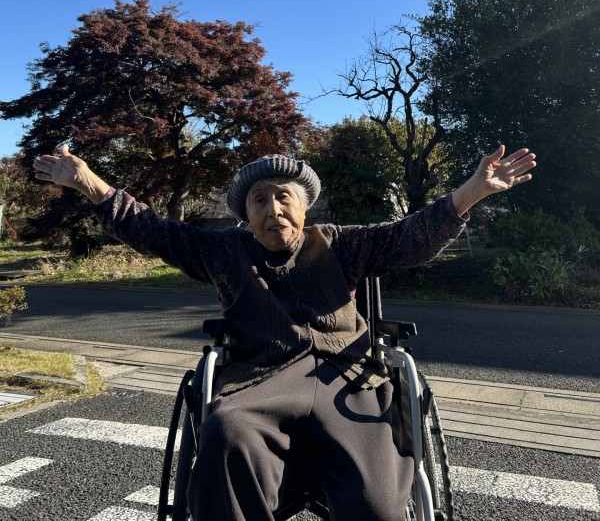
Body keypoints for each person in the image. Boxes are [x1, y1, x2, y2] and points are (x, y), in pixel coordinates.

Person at [34, 144, 535, 521]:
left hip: (348, 382)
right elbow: (152, 230)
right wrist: (89, 183)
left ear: (303, 206)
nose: (273, 208)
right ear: (245, 215)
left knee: (378, 505)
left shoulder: (341, 244)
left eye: (283, 197)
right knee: (226, 432)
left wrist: (472, 192)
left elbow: (409, 236)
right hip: (260, 379)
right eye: (259, 200)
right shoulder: (223, 251)